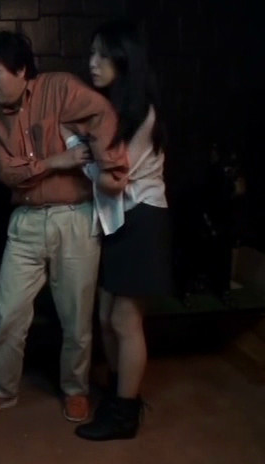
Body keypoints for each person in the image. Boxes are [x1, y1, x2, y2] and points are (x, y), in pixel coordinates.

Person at [0, 31, 128, 423]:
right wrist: (56, 161)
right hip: (25, 220)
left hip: (75, 216)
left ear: (21, 70)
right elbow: (6, 173)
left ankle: (76, 389)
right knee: (7, 314)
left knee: (76, 316)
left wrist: (107, 166)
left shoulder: (60, 89)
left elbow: (102, 114)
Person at [73, 19, 172, 441]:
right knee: (105, 315)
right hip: (119, 218)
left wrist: (78, 156)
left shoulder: (140, 112)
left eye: (102, 54)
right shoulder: (112, 107)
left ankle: (125, 414)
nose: (92, 63)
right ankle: (118, 393)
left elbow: (113, 178)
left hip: (143, 218)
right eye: (91, 53)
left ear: (124, 59)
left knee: (124, 320)